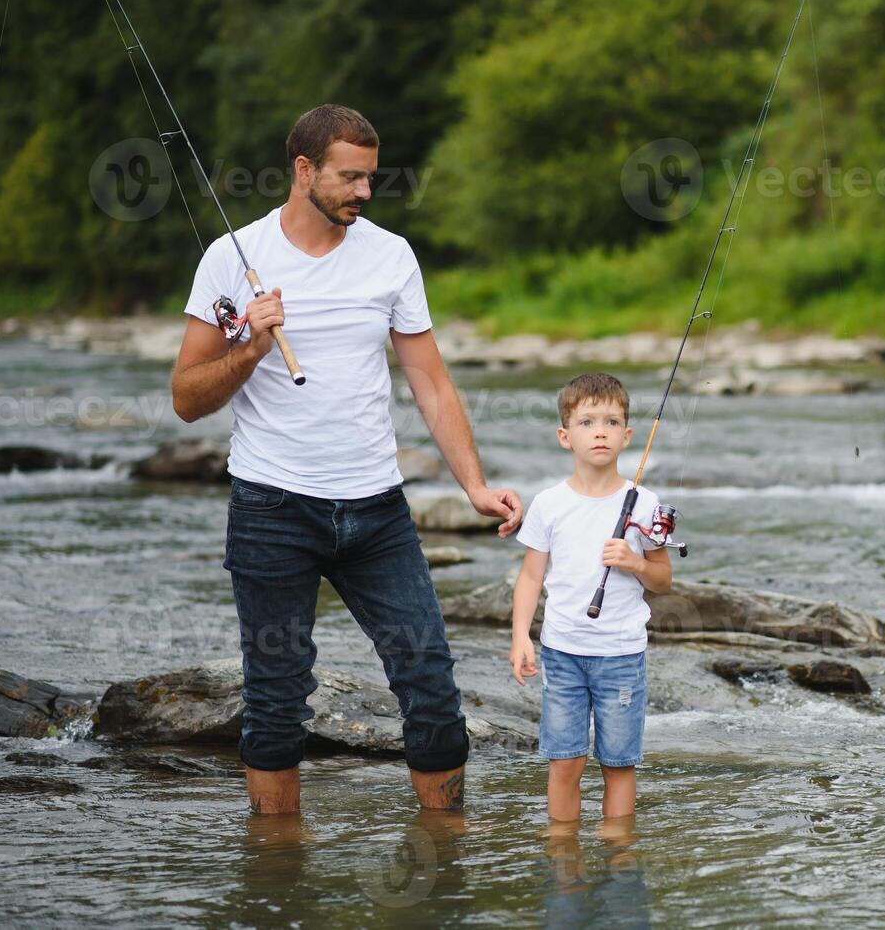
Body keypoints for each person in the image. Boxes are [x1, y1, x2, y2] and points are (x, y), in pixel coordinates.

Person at [170, 104, 522, 816]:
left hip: (377, 511)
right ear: (304, 171)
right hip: (271, 509)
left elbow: (430, 379)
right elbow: (185, 397)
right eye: (350, 177)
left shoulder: (390, 255)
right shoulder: (230, 258)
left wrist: (474, 485)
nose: (364, 191)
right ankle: (276, 865)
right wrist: (254, 346)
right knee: (275, 693)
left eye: (370, 177)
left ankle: (446, 848)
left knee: (428, 676)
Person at [509, 373, 672, 821]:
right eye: (586, 422)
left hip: (621, 654)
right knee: (565, 763)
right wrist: (522, 635)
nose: (599, 431)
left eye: (611, 421)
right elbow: (529, 577)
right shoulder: (548, 503)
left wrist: (636, 563)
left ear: (627, 435)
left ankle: (619, 855)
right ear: (565, 436)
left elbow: (663, 580)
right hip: (562, 652)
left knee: (619, 765)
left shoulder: (645, 503)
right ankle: (563, 858)